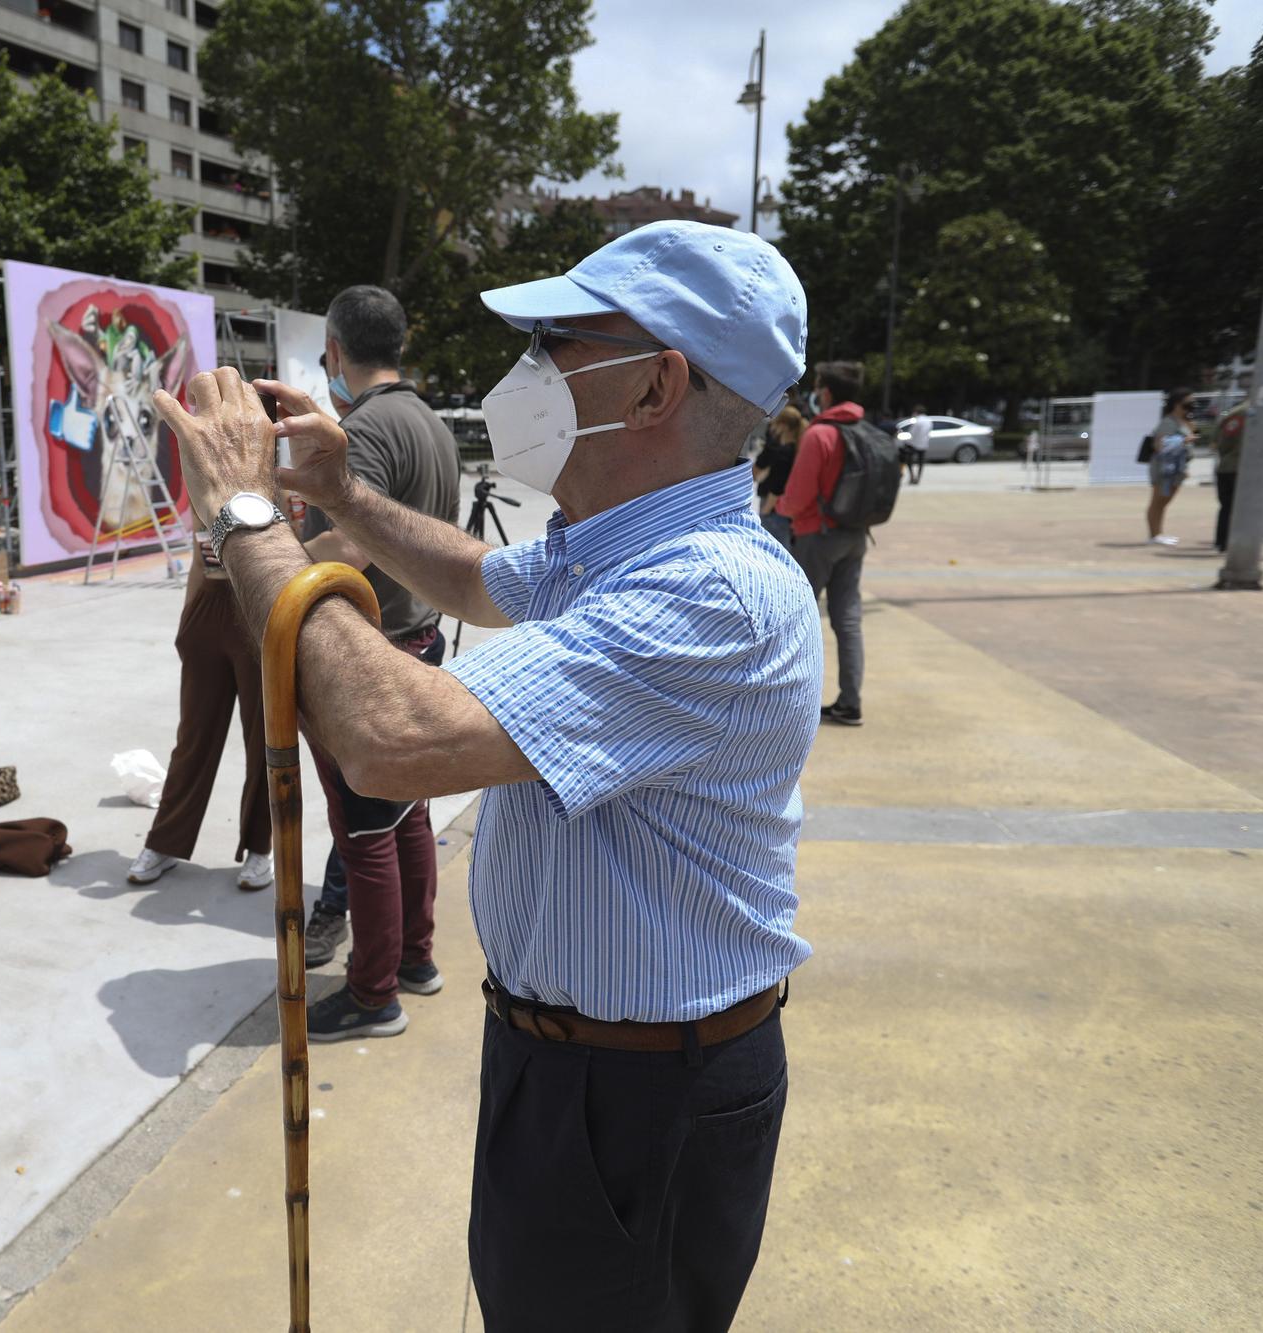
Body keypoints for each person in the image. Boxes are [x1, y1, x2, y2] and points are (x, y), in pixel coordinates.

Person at [155, 219, 819, 1330]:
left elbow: (390, 736)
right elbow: (475, 579)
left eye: (557, 340)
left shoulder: (711, 593)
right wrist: (346, 496)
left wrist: (244, 516)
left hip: (643, 1091)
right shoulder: (613, 541)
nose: (527, 369)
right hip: (566, 1061)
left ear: (654, 386)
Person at [290, 284, 460, 1038]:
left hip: (373, 649)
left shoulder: (361, 431)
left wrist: (269, 553)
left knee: (365, 830)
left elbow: (352, 545)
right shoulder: (430, 423)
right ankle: (415, 959)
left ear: (333, 349)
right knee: (409, 814)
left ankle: (372, 992)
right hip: (420, 637)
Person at [126, 547, 274, 892]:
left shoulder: (275, 489)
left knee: (264, 741)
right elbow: (197, 556)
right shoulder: (199, 492)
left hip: (259, 607)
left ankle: (260, 848)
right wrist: (187, 622)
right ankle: (165, 842)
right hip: (208, 606)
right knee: (193, 737)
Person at [779, 361, 871, 727]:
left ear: (826, 392)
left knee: (796, 619)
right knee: (847, 621)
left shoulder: (820, 435)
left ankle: (788, 704)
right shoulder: (864, 429)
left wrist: (781, 508)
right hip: (856, 534)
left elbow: (798, 495)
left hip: (817, 535)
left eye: (817, 387)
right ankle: (850, 702)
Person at [1145, 388, 1195, 546]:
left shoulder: (1184, 422)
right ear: (1176, 404)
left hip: (1177, 468)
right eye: (1187, 403)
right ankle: (1154, 535)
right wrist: (1183, 441)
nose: (1191, 406)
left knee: (1165, 501)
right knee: (1158, 501)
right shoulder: (1168, 422)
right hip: (1164, 468)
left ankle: (1159, 533)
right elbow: (1160, 445)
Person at [753, 401, 806, 549]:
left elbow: (777, 487)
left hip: (774, 512)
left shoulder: (785, 453)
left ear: (783, 426)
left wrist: (765, 511)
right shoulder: (794, 449)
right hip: (780, 512)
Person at [1212, 396, 1247, 552]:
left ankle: (1222, 542)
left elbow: (1220, 443)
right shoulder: (1251, 412)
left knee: (1227, 507)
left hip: (1227, 466)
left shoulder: (1235, 413)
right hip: (1244, 469)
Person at [907, 403, 931, 484]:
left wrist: (907, 442)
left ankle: (912, 476)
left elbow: (912, 433)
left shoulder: (917, 421)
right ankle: (918, 477)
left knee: (909, 461)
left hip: (914, 444)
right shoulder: (928, 420)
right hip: (924, 444)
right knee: (921, 463)